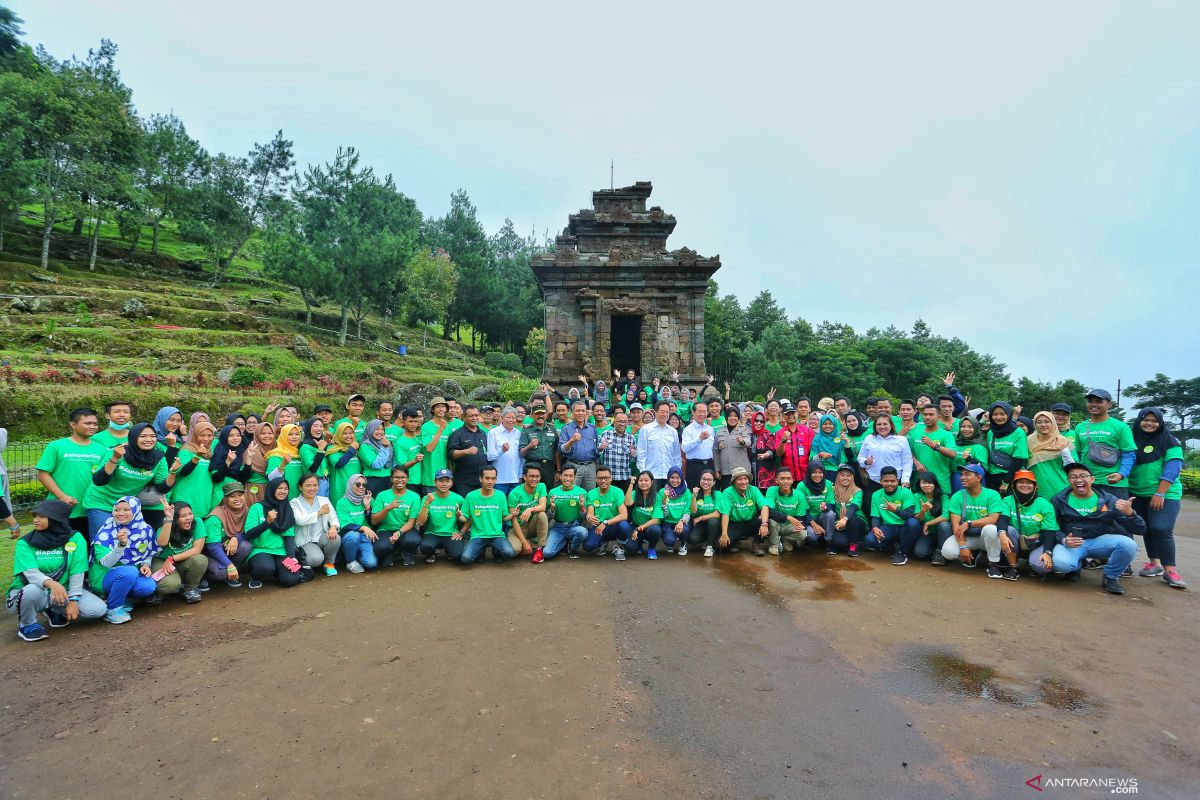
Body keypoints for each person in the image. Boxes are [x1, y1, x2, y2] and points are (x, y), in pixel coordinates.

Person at [7, 499, 105, 641]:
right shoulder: (25, 543)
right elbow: (30, 573)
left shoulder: (75, 538)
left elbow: (77, 571)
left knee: (97, 610)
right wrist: (52, 584)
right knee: (32, 590)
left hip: (62, 592)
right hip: (27, 593)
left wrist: (74, 600)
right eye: (35, 516)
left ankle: (54, 610)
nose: (36, 520)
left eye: (41, 516)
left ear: (56, 518)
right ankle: (27, 625)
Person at [1048, 463, 1143, 595]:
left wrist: (1130, 513)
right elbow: (1051, 527)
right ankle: (1076, 566)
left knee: (1129, 545)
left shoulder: (1108, 500)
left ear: (1092, 479)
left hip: (1099, 542)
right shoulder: (1058, 499)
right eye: (1073, 477)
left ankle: (1110, 577)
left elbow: (1139, 530)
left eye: (1083, 476)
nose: (1078, 480)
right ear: (1068, 480)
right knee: (1061, 564)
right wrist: (1063, 539)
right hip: (1072, 544)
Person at [82, 422, 176, 539]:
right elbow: (99, 480)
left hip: (126, 508)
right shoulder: (118, 452)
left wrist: (173, 472)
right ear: (133, 437)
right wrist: (115, 458)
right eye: (143, 436)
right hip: (101, 502)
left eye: (152, 436)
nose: (149, 439)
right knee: (103, 542)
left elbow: (162, 488)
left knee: (123, 544)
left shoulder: (158, 458)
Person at [1128, 408, 1186, 589]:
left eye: (1155, 421)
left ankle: (1170, 571)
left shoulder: (1170, 441)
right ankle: (1155, 564)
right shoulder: (1132, 439)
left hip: (1164, 493)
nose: (1150, 423)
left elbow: (1173, 467)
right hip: (1138, 493)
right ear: (1139, 421)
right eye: (1146, 420)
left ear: (1161, 423)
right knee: (1147, 528)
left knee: (1161, 528)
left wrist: (1160, 493)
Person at [87, 496, 165, 623]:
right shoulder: (106, 532)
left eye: (126, 509)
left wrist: (145, 564)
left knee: (148, 586)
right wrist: (121, 545)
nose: (120, 513)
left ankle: (122, 598)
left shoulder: (145, 529)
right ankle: (112, 609)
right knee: (129, 572)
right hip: (103, 575)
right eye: (117, 510)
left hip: (129, 574)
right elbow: (106, 563)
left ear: (136, 510)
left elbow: (148, 552)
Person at [36, 407, 108, 538]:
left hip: (91, 509)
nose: (93, 426)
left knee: (86, 550)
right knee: (60, 550)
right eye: (87, 423)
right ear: (73, 424)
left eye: (95, 424)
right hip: (60, 508)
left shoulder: (102, 450)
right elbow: (43, 474)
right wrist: (61, 496)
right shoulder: (56, 446)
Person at [939, 463, 1010, 577]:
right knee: (948, 552)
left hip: (985, 537)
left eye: (967, 474)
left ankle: (993, 564)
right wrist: (962, 546)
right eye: (962, 474)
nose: (962, 477)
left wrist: (969, 523)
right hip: (967, 536)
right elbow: (956, 525)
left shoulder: (992, 494)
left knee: (991, 529)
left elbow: (993, 519)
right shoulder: (958, 496)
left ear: (978, 478)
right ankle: (973, 553)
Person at [1074, 389, 1137, 499]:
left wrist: (1121, 474)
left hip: (1113, 484)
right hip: (1087, 484)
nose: (1093, 404)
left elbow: (1129, 455)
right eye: (1090, 401)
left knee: (1116, 515)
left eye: (1099, 401)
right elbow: (1079, 454)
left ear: (1109, 404)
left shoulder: (1121, 427)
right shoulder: (1080, 427)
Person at [244, 477, 303, 589]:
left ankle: (277, 572)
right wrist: (267, 522)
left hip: (281, 551)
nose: (283, 491)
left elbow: (289, 537)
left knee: (291, 580)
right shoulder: (257, 507)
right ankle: (256, 577)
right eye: (279, 488)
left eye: (286, 489)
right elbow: (249, 534)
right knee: (265, 568)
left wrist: (291, 557)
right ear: (271, 489)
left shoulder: (287, 509)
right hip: (260, 549)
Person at [1004, 470, 1060, 582]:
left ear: (1035, 486)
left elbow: (1049, 531)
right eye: (1021, 482)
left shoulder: (1045, 504)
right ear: (1014, 485)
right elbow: (1002, 519)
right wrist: (1001, 534)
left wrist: (1047, 552)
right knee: (1008, 529)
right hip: (1015, 540)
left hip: (1037, 541)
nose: (1025, 485)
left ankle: (1032, 563)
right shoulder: (1007, 500)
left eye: (1029, 482)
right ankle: (1013, 567)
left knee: (1041, 566)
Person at [153, 501, 208, 603]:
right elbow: (162, 543)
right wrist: (169, 518)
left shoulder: (197, 522)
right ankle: (157, 591)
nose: (188, 518)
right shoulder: (165, 526)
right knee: (170, 585)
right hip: (161, 561)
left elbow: (197, 549)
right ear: (175, 518)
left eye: (190, 514)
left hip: (179, 561)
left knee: (200, 559)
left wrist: (172, 558)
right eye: (183, 516)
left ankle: (189, 589)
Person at [460, 466, 517, 564]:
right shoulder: (471, 496)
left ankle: (496, 550)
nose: (490, 481)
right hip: (478, 535)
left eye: (493, 478)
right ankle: (480, 551)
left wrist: (512, 515)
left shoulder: (501, 495)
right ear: (480, 479)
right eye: (487, 478)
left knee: (510, 553)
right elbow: (465, 518)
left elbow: (504, 518)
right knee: (466, 559)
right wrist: (458, 515)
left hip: (496, 535)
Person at [864, 466, 919, 566]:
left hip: (904, 527)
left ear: (897, 481)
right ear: (881, 481)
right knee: (869, 540)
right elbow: (875, 516)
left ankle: (902, 551)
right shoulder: (876, 495)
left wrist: (895, 510)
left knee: (913, 523)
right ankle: (894, 546)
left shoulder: (905, 492)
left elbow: (910, 515)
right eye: (886, 481)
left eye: (892, 481)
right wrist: (875, 527)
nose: (889, 484)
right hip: (888, 526)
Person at [858, 414, 913, 514]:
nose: (882, 427)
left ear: (891, 425)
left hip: (895, 482)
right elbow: (860, 458)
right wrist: (865, 461)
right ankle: (874, 528)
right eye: (879, 424)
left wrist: (906, 479)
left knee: (894, 510)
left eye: (885, 424)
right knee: (871, 508)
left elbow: (907, 461)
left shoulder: (901, 440)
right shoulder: (869, 438)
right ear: (875, 426)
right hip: (874, 481)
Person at [290, 473, 341, 576]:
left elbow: (334, 517)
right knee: (316, 559)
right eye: (308, 485)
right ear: (300, 487)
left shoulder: (324, 500)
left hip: (321, 538)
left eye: (315, 485)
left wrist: (333, 527)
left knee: (335, 537)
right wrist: (319, 513)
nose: (312, 488)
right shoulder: (294, 502)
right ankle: (302, 561)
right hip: (305, 542)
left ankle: (329, 565)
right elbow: (299, 520)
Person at [370, 466, 422, 566]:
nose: (400, 480)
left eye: (403, 477)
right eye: (396, 477)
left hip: (405, 529)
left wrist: (398, 533)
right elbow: (374, 521)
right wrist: (387, 508)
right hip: (386, 529)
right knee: (381, 547)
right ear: (391, 479)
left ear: (408, 479)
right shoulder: (382, 495)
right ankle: (388, 553)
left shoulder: (414, 496)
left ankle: (406, 552)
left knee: (413, 540)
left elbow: (412, 522)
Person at [716, 466, 771, 556]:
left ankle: (756, 544)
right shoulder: (728, 492)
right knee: (720, 546)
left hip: (751, 522)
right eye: (739, 479)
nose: (743, 482)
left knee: (765, 519)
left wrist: (764, 524)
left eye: (745, 478)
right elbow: (725, 513)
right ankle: (735, 541)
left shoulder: (753, 489)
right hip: (734, 524)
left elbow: (764, 506)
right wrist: (724, 534)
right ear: (734, 482)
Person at [203, 482, 249, 588]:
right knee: (221, 572)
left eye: (240, 495)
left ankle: (230, 574)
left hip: (227, 549)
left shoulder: (247, 511)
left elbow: (250, 533)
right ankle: (205, 577)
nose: (237, 499)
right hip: (209, 553)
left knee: (246, 546)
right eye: (232, 496)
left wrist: (236, 538)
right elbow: (212, 547)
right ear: (225, 499)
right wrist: (230, 565)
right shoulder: (215, 517)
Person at [416, 469, 467, 564]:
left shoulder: (458, 498)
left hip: (450, 533)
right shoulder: (427, 498)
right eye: (441, 481)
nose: (444, 484)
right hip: (432, 533)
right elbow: (420, 522)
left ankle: (449, 550)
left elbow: (469, 518)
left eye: (447, 481)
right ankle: (431, 553)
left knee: (458, 555)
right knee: (424, 547)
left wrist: (461, 532)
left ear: (452, 482)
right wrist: (426, 503)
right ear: (434, 482)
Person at [540, 465, 589, 561]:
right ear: (560, 476)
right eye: (565, 475)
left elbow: (584, 518)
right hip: (557, 527)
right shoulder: (553, 492)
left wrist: (582, 506)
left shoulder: (581, 492)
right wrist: (552, 508)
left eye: (571, 476)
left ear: (575, 477)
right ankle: (563, 543)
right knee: (547, 553)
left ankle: (573, 548)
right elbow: (548, 518)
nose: (568, 478)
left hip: (574, 526)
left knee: (583, 532)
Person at [171, 418, 217, 519]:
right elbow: (183, 471)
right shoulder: (186, 450)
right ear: (195, 435)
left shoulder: (211, 453)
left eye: (209, 435)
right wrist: (197, 456)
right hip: (185, 499)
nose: (206, 439)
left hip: (203, 499)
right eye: (202, 435)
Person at [334, 473, 380, 573]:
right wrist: (363, 528)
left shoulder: (369, 499)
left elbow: (373, 522)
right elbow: (345, 525)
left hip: (365, 537)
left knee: (371, 563)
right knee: (354, 536)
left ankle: (357, 555)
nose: (361, 487)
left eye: (364, 485)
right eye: (358, 484)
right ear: (350, 485)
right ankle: (350, 561)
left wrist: (367, 507)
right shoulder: (342, 502)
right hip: (349, 537)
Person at [583, 466, 631, 559]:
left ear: (611, 478)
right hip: (599, 526)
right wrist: (589, 518)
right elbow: (590, 511)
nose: (603, 481)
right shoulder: (591, 493)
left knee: (624, 526)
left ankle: (620, 547)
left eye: (606, 478)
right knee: (587, 546)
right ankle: (603, 541)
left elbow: (624, 515)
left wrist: (605, 523)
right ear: (596, 479)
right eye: (600, 478)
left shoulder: (617, 492)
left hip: (615, 525)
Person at [1026, 411, 1076, 499]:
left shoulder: (1063, 442)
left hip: (1060, 487)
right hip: (1034, 487)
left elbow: (1073, 467)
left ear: (1053, 423)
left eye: (1047, 421)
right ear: (1034, 424)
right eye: (1039, 422)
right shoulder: (1028, 441)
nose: (1043, 425)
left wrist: (1064, 451)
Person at [909, 405, 957, 495]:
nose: (927, 417)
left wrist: (934, 445)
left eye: (931, 414)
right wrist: (916, 463)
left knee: (942, 507)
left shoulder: (946, 435)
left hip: (940, 480)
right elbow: (909, 453)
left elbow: (953, 453)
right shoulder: (915, 434)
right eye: (925, 414)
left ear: (939, 417)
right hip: (920, 480)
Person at [637, 401, 682, 493]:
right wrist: (643, 472)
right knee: (652, 502)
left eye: (667, 412)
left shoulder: (673, 431)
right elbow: (641, 452)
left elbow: (676, 454)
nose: (664, 414)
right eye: (662, 411)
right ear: (655, 412)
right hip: (652, 474)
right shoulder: (646, 429)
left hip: (669, 475)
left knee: (668, 503)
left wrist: (677, 472)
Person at [984, 402, 1028, 494]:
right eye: (995, 414)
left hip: (1011, 478)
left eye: (1002, 414)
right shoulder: (991, 432)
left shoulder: (1018, 432)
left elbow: (1018, 460)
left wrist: (1006, 482)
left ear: (1008, 414)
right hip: (992, 477)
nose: (999, 417)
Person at [447, 405, 489, 496]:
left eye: (476, 415)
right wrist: (465, 451)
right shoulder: (457, 434)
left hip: (482, 480)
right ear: (464, 417)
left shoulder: (483, 433)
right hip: (464, 481)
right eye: (471, 416)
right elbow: (451, 454)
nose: (474, 418)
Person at [558, 400, 600, 491]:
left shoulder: (592, 429)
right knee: (572, 493)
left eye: (583, 411)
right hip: (573, 466)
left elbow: (596, 448)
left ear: (586, 412)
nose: (581, 413)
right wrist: (571, 441)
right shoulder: (566, 429)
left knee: (590, 494)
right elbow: (561, 449)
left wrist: (600, 448)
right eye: (578, 411)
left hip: (590, 467)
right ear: (572, 413)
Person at [507, 464, 548, 557]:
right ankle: (526, 544)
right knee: (513, 551)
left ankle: (540, 548)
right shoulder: (514, 494)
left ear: (540, 477)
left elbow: (543, 507)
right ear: (524, 477)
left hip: (532, 525)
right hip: (518, 528)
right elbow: (513, 520)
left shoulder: (541, 486)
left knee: (542, 514)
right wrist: (524, 542)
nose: (534, 479)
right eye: (531, 476)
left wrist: (530, 509)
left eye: (537, 476)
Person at [796, 462, 837, 554]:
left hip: (823, 517)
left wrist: (826, 507)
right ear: (809, 473)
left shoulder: (828, 483)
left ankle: (829, 541)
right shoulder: (801, 486)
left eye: (820, 472)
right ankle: (814, 540)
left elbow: (831, 503)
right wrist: (814, 524)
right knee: (812, 536)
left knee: (830, 514)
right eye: (814, 472)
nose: (817, 475)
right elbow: (802, 509)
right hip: (808, 519)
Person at [209, 424, 253, 508]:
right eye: (231, 435)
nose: (236, 438)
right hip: (222, 496)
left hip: (237, 496)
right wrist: (228, 462)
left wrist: (249, 458)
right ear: (225, 437)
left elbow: (244, 477)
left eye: (238, 435)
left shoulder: (240, 452)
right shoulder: (219, 453)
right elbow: (216, 478)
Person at [912, 471, 952, 563]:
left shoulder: (943, 497)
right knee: (920, 553)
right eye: (923, 483)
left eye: (929, 483)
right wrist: (923, 511)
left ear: (935, 484)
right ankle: (936, 550)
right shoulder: (917, 496)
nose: (927, 485)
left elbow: (946, 516)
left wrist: (928, 523)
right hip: (928, 532)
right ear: (919, 484)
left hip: (942, 531)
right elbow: (917, 518)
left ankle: (942, 554)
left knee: (944, 525)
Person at [765, 467, 807, 555]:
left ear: (792, 480)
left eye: (788, 478)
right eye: (782, 478)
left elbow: (800, 517)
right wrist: (787, 517)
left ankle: (785, 540)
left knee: (803, 534)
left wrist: (800, 526)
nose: (786, 481)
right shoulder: (771, 490)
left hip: (788, 527)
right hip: (776, 525)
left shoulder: (799, 495)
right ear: (776, 480)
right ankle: (774, 544)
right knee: (771, 521)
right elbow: (768, 510)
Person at [652, 466, 692, 555]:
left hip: (681, 521)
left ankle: (683, 544)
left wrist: (681, 521)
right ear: (668, 478)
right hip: (667, 522)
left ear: (682, 478)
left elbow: (688, 510)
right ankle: (670, 539)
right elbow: (663, 514)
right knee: (669, 541)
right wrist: (664, 500)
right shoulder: (663, 491)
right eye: (672, 477)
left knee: (684, 530)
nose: (675, 480)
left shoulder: (686, 491)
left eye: (678, 478)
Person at [624, 470, 663, 559]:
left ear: (652, 482)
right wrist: (631, 484)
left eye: (646, 480)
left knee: (655, 530)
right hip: (636, 525)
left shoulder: (657, 497)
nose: (643, 483)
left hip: (649, 527)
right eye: (640, 480)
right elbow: (627, 503)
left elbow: (656, 519)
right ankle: (639, 543)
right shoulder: (635, 493)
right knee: (630, 548)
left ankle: (651, 548)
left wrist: (638, 529)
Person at [521, 406, 560, 491]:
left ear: (546, 414)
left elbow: (556, 451)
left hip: (548, 466)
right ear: (532, 415)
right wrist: (529, 446)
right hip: (532, 465)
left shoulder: (552, 429)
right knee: (531, 490)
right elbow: (521, 453)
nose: (540, 416)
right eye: (538, 413)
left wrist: (558, 470)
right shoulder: (526, 430)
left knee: (548, 491)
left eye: (543, 413)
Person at [486, 407, 524, 494]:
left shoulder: (518, 433)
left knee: (514, 505)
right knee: (500, 504)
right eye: (508, 417)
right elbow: (490, 457)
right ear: (502, 418)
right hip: (500, 479)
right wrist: (501, 450)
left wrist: (520, 474)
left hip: (515, 479)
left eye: (513, 418)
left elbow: (520, 457)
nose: (511, 420)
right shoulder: (493, 433)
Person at [420, 397, 453, 495]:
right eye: (438, 407)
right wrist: (440, 430)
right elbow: (429, 449)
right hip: (430, 476)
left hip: (445, 476)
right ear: (432, 410)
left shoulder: (449, 428)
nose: (441, 409)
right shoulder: (426, 427)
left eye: (443, 406)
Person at [830, 464, 865, 556]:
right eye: (842, 475)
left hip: (857, 523)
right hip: (840, 524)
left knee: (851, 517)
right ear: (837, 476)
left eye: (848, 475)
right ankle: (847, 544)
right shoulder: (832, 490)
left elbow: (854, 507)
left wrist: (844, 519)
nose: (846, 478)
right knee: (840, 543)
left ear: (852, 477)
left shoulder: (857, 491)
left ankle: (854, 545)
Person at [598, 409, 636, 493]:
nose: (623, 424)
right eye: (620, 421)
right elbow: (598, 453)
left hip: (625, 476)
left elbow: (632, 459)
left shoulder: (631, 438)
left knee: (624, 502)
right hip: (609, 477)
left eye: (625, 422)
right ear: (614, 422)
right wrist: (601, 448)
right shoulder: (606, 434)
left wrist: (634, 455)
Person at [714, 407, 752, 489]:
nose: (733, 418)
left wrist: (742, 441)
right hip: (726, 471)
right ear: (726, 417)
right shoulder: (719, 432)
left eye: (735, 416)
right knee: (727, 494)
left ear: (738, 418)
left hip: (741, 471)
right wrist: (717, 469)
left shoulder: (743, 430)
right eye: (730, 416)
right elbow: (716, 452)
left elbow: (748, 442)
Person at [776, 402, 816, 479]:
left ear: (797, 413)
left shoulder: (808, 431)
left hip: (806, 473)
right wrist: (783, 440)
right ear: (783, 416)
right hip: (788, 476)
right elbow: (779, 454)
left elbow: (813, 452)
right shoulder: (779, 433)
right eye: (787, 414)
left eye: (793, 413)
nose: (791, 416)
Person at [949, 415, 989, 493]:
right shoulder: (955, 444)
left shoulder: (980, 446)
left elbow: (983, 469)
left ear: (976, 428)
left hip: (973, 481)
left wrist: (970, 459)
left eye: (970, 427)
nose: (966, 429)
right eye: (963, 426)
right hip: (955, 480)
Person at [265, 423, 304, 500]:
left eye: (297, 434)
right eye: (290, 434)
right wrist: (283, 465)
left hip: (301, 500)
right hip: (283, 499)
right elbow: (271, 478)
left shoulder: (301, 452)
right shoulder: (276, 454)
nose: (294, 437)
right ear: (283, 436)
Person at [681, 405, 716, 489]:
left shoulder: (710, 429)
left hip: (709, 465)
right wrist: (699, 439)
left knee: (709, 492)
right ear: (693, 412)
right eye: (700, 411)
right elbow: (685, 448)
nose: (702, 414)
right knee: (694, 493)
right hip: (694, 466)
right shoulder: (688, 430)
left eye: (705, 411)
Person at [325, 421, 361, 503]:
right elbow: (339, 464)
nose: (348, 436)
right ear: (339, 434)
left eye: (351, 433)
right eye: (344, 433)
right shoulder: (332, 449)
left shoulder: (357, 448)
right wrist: (352, 450)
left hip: (357, 489)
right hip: (339, 490)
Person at [357, 420, 395, 498]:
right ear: (370, 429)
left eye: (382, 429)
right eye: (377, 429)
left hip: (388, 479)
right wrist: (384, 448)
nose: (380, 431)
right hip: (373, 481)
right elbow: (376, 465)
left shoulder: (386, 443)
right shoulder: (365, 446)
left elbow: (392, 461)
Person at [690, 470, 723, 557]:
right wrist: (693, 496)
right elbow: (693, 512)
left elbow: (717, 514)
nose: (706, 482)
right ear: (700, 480)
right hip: (701, 525)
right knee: (692, 539)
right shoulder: (695, 493)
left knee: (713, 521)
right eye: (703, 479)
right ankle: (709, 539)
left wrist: (700, 518)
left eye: (709, 480)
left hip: (715, 523)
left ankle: (710, 546)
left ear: (714, 482)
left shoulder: (718, 494)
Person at [242, 420, 276, 503]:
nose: (267, 436)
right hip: (254, 491)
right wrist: (249, 458)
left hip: (273, 490)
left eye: (270, 433)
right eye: (263, 433)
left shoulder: (277, 448)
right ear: (257, 434)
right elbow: (244, 476)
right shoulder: (251, 450)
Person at [392, 408, 425, 493]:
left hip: (422, 480)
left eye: (415, 421)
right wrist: (415, 461)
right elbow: (401, 467)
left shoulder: (418, 439)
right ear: (403, 422)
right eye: (410, 421)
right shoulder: (400, 442)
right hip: (410, 482)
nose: (413, 424)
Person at [297, 418, 330, 497]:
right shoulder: (305, 446)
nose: (319, 428)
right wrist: (320, 450)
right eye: (315, 426)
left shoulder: (322, 444)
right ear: (308, 428)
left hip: (325, 480)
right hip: (313, 482)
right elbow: (313, 468)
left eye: (321, 426)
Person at [749, 411, 779, 492]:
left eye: (762, 421)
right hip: (750, 470)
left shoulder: (768, 435)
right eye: (756, 420)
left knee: (765, 496)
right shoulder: (748, 435)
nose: (759, 423)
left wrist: (765, 455)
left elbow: (771, 451)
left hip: (765, 471)